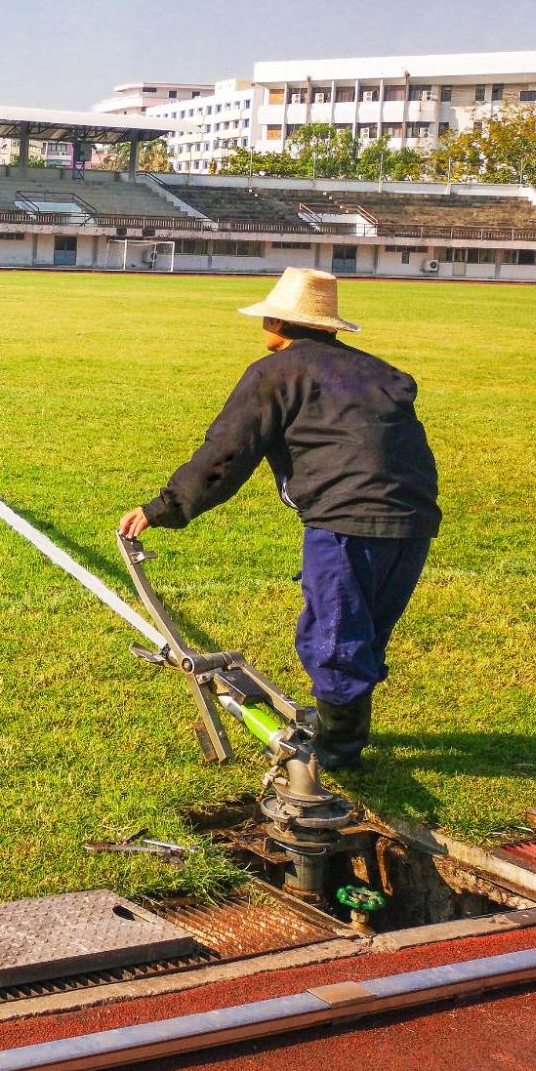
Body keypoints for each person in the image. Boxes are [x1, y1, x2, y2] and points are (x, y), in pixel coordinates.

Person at [118, 268, 440, 772]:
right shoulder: (379, 371)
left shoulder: (274, 374)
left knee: (333, 638)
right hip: (414, 518)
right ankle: (342, 731)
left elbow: (225, 455)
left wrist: (161, 509)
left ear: (276, 322)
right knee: (366, 631)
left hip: (346, 519)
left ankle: (336, 755)